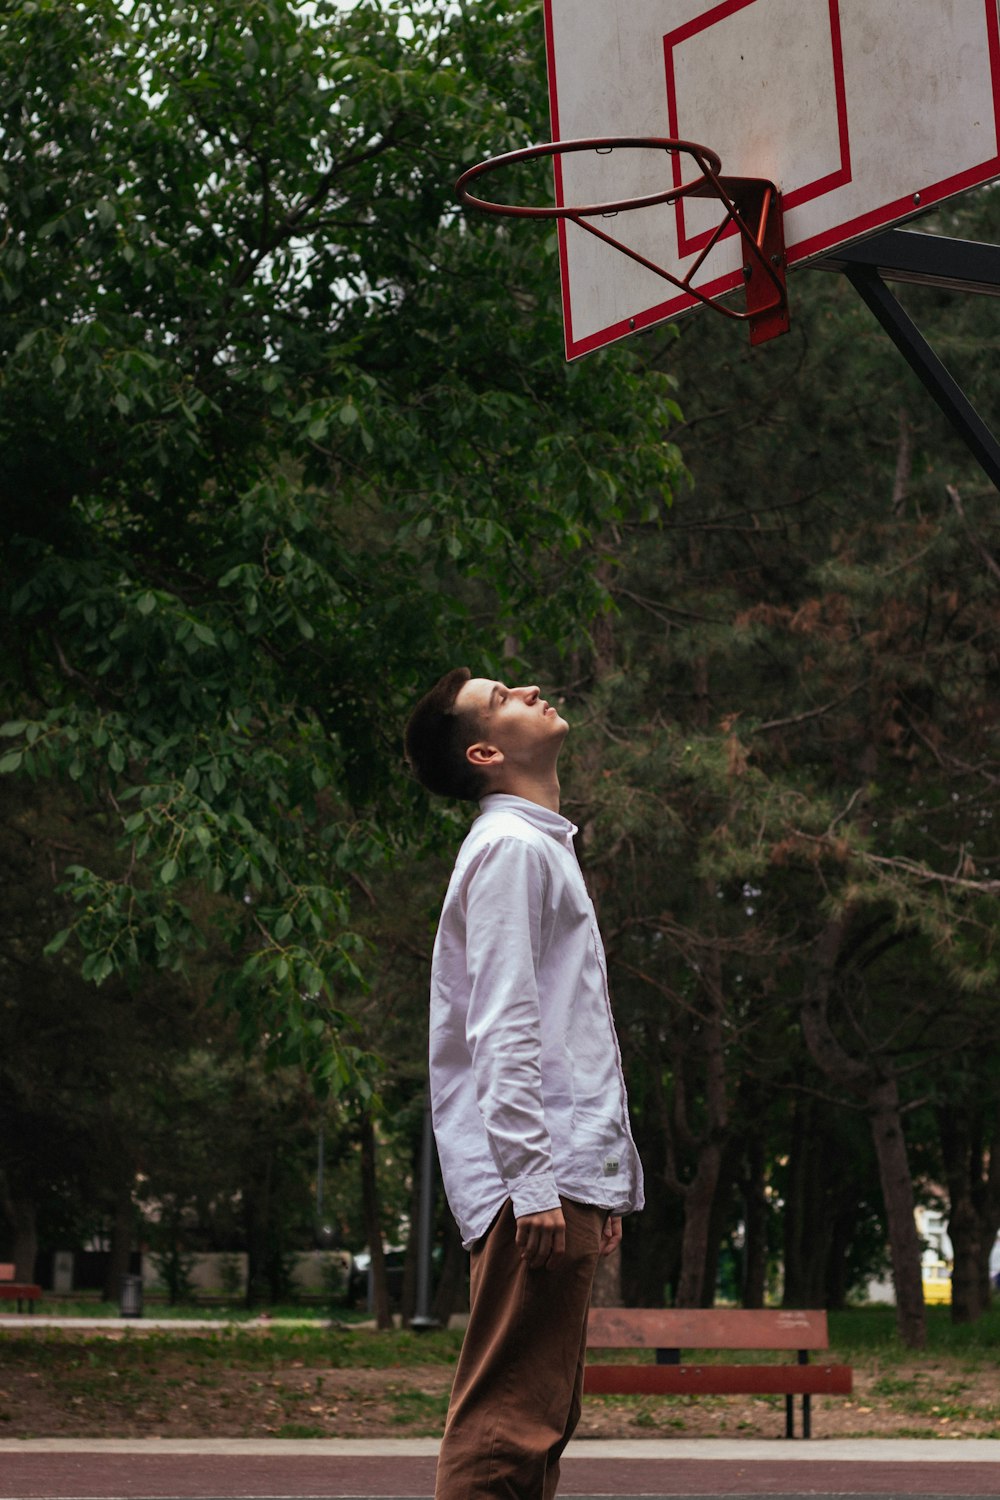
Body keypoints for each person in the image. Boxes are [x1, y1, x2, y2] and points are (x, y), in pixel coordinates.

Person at [404, 666, 644, 1500]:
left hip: (552, 1174)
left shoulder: (535, 845)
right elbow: (501, 1025)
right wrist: (535, 1179)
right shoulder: (509, 850)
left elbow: (565, 1027)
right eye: (502, 699)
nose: (530, 692)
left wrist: (596, 1186)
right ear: (485, 750)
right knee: (508, 1425)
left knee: (540, 1417)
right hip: (530, 1179)